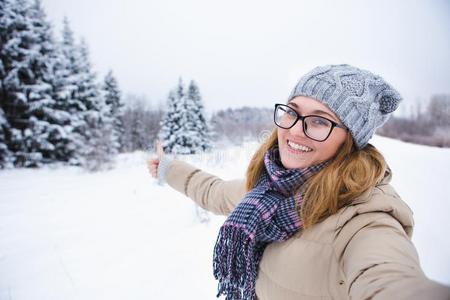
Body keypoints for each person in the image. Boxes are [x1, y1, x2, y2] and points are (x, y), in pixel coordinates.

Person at [148, 64, 450, 300]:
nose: (294, 130)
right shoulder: (265, 190)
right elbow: (211, 190)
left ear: (351, 139)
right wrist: (167, 168)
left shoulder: (364, 219)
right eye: (292, 112)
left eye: (319, 120)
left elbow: (387, 277)